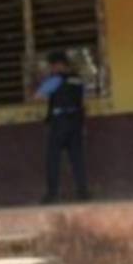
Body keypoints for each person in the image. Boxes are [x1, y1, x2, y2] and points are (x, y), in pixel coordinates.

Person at [35, 51, 90, 203]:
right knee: (77, 158)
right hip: (76, 122)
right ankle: (82, 191)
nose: (51, 69)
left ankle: (52, 194)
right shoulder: (78, 80)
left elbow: (38, 96)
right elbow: (83, 103)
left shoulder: (55, 80)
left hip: (59, 122)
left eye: (52, 66)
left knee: (53, 159)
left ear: (58, 65)